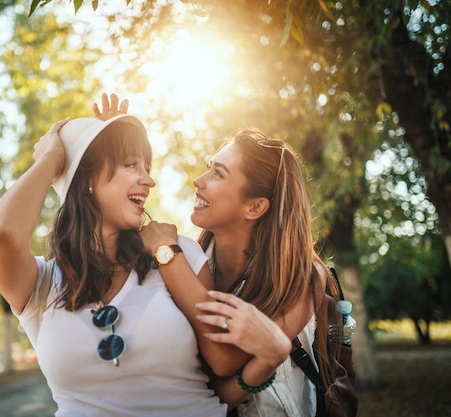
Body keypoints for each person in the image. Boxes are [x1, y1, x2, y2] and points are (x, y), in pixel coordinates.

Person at [0, 103, 290, 416]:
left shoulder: (174, 251)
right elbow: (0, 237)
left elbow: (222, 361)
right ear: (88, 178)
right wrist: (53, 159)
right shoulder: (41, 284)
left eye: (147, 167)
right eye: (131, 165)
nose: (149, 181)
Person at [138, 126, 340, 417]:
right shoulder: (193, 261)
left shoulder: (304, 278)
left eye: (218, 173)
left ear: (255, 207)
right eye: (208, 168)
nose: (198, 180)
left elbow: (224, 360)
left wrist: (166, 254)